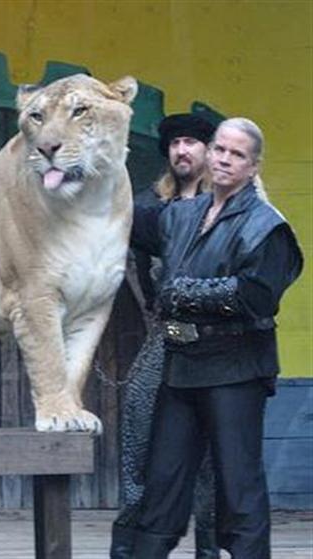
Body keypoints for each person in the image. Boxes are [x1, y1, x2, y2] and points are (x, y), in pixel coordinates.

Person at [129, 117, 303, 559]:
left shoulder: (267, 226)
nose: (225, 159)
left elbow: (257, 298)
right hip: (182, 367)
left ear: (253, 167)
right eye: (220, 149)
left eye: (237, 154)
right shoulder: (182, 214)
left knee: (238, 488)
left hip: (236, 370)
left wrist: (182, 291)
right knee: (161, 487)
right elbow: (126, 221)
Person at [110, 113, 220, 559]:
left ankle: (209, 552)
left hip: (217, 349)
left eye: (191, 142)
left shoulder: (232, 206)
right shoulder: (148, 206)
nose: (181, 150)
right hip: (163, 340)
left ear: (209, 151)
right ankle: (126, 551)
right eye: (175, 143)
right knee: (137, 445)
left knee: (212, 466)